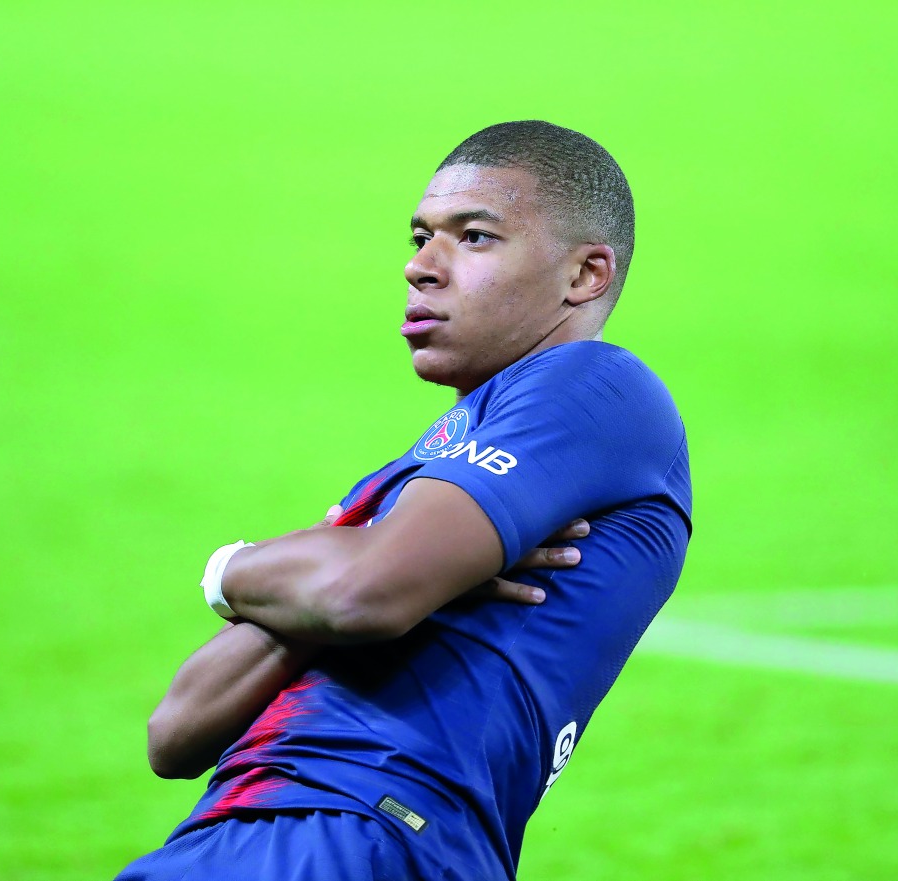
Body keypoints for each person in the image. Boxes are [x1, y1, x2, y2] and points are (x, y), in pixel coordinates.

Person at [115, 120, 692, 880]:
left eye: (475, 237)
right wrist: (332, 578)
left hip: (364, 828)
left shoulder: (595, 388)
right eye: (420, 237)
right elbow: (177, 731)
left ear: (584, 274)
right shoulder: (423, 469)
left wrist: (245, 570)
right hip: (235, 830)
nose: (421, 266)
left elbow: (360, 595)